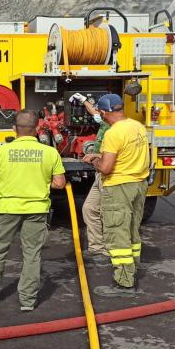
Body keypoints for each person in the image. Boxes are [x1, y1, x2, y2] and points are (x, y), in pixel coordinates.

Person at [0, 111, 66, 311]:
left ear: (14, 128)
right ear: (38, 128)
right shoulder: (50, 152)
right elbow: (59, 183)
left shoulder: (0, 151)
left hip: (7, 209)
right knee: (32, 254)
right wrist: (38, 183)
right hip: (37, 209)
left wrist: (6, 181)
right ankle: (28, 301)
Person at [93, 94, 150, 292]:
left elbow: (106, 168)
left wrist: (93, 160)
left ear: (103, 112)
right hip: (139, 184)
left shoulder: (113, 133)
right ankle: (133, 269)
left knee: (117, 233)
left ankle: (124, 281)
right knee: (132, 229)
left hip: (118, 187)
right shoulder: (137, 126)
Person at [69, 93, 111, 262]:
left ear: (106, 113)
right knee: (89, 209)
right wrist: (83, 100)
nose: (97, 113)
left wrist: (95, 156)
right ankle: (96, 247)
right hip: (100, 173)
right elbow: (94, 113)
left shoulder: (113, 130)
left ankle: (111, 248)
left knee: (109, 212)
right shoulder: (104, 123)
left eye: (100, 111)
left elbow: (110, 157)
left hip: (110, 174)